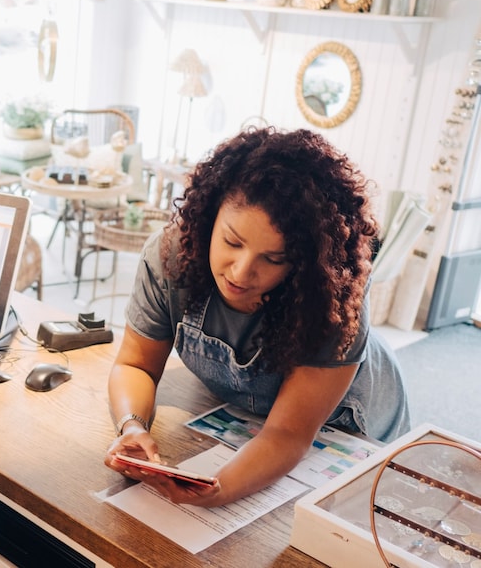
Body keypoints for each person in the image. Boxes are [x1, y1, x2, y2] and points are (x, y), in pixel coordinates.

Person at [104, 127, 410, 507]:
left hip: (352, 426)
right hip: (253, 419)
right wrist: (132, 426)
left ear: (302, 263)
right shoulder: (171, 256)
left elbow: (288, 434)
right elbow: (136, 364)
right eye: (232, 242)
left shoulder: (330, 296)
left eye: (273, 259)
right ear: (209, 216)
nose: (241, 272)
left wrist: (220, 488)